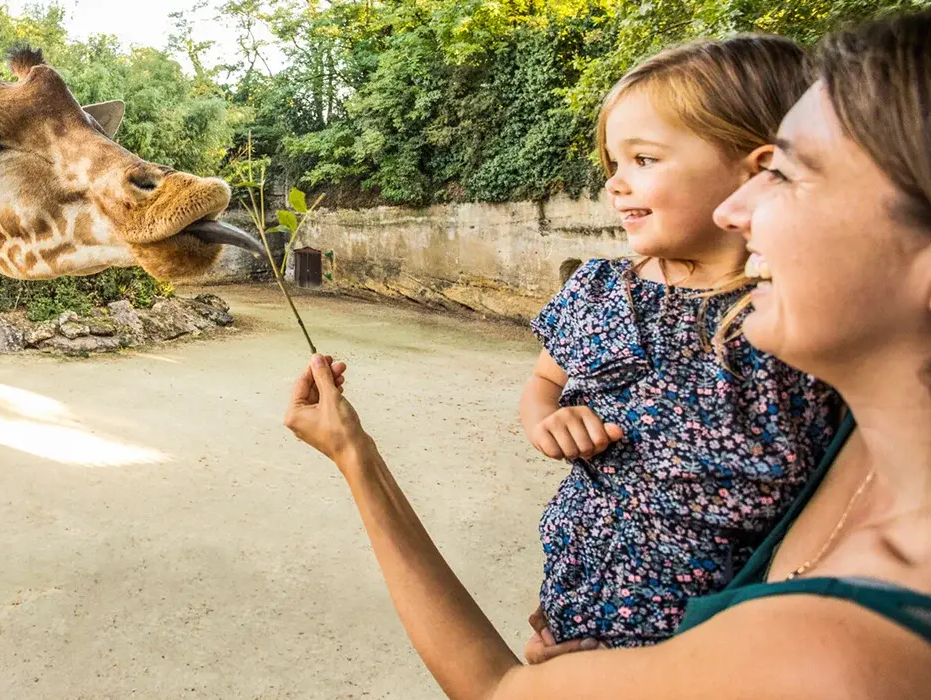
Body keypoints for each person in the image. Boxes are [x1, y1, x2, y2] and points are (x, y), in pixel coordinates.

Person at [284, 12, 931, 698]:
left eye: (786, 174)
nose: (736, 212)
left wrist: (356, 457)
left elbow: (496, 689)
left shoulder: (832, 657)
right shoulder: (870, 439)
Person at [518, 35, 841, 651]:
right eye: (613, 163)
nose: (615, 184)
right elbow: (544, 384)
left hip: (711, 650)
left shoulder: (797, 323)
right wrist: (547, 424)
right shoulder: (598, 289)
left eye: (644, 160)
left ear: (758, 166)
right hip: (577, 601)